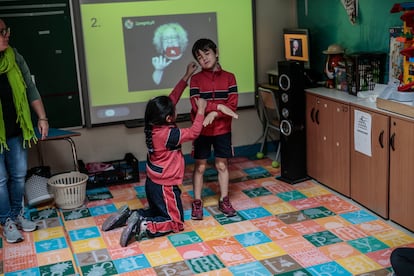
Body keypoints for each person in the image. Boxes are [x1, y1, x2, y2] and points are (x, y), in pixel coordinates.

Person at [102, 62, 207, 247]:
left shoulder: (152, 126)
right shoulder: (169, 134)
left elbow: (172, 98)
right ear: (168, 118)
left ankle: (130, 215)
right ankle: (143, 225)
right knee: (176, 222)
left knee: (159, 212)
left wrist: (186, 76)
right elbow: (194, 132)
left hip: (153, 182)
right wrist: (201, 111)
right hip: (166, 186)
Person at [0, 19, 49, 243]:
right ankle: (6, 220)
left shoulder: (14, 57)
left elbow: (30, 88)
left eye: (6, 30)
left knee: (19, 176)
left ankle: (18, 215)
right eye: (1, 32)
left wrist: (42, 117)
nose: (6, 35)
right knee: (0, 181)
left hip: (16, 129)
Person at [189, 38, 239, 220]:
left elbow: (232, 105)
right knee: (200, 167)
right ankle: (197, 202)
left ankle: (224, 200)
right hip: (201, 130)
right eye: (199, 57)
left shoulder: (230, 77)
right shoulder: (195, 79)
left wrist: (213, 114)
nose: (204, 59)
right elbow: (196, 106)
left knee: (221, 165)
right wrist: (218, 108)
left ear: (216, 52)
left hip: (222, 129)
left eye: (207, 53)